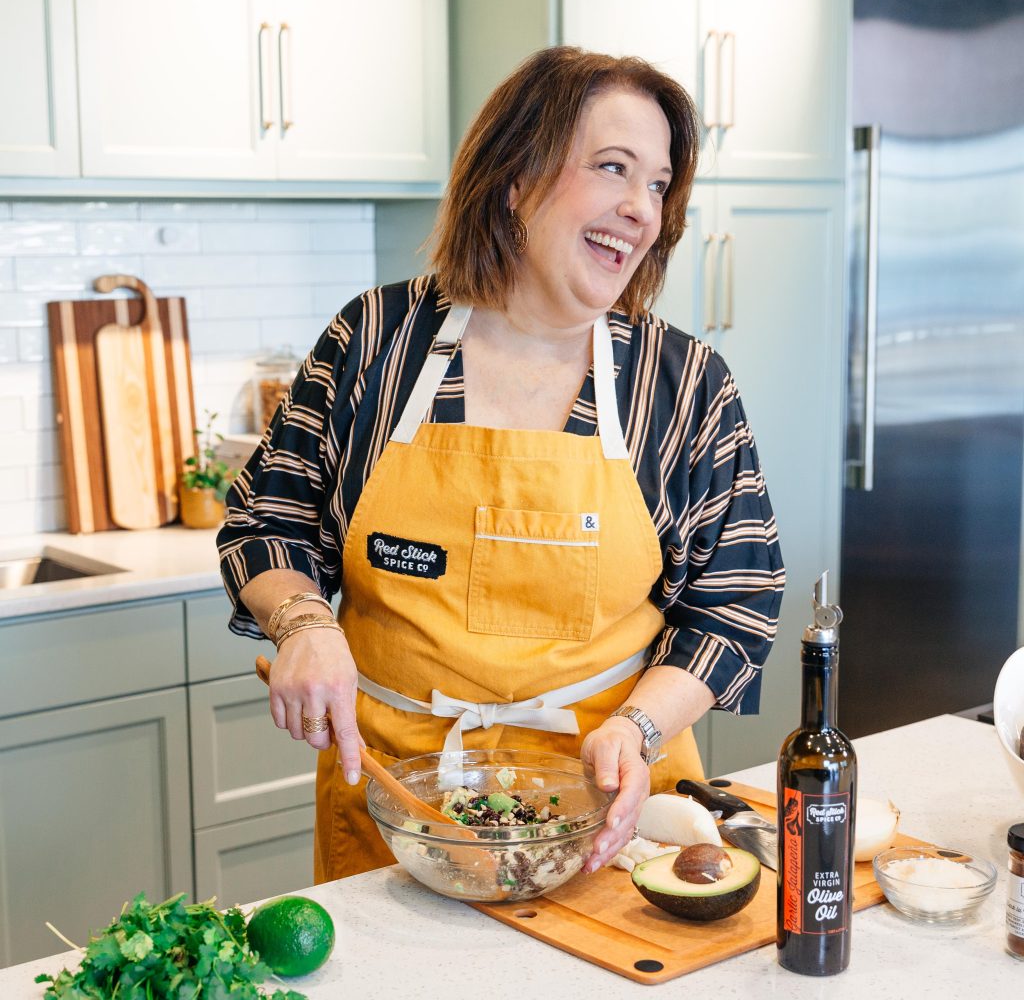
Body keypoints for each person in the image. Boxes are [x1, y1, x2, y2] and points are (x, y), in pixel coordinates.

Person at [217, 46, 785, 884]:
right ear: (515, 178)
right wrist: (304, 624)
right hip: (399, 811)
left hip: (606, 812)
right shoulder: (375, 344)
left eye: (659, 184)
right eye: (613, 168)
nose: (642, 208)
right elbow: (270, 523)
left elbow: (736, 602)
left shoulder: (683, 384)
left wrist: (638, 729)